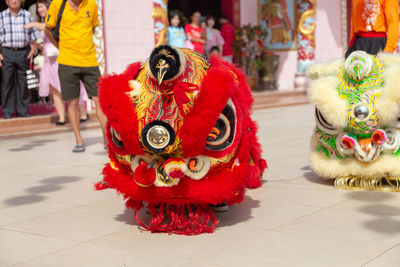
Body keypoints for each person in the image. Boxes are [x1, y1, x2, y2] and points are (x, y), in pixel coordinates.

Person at [45, 0, 107, 152]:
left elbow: (91, 29)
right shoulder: (58, 4)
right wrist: (61, 47)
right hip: (67, 62)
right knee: (72, 102)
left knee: (100, 100)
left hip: (90, 61)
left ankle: (107, 139)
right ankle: (78, 139)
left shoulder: (91, 4)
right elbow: (48, 29)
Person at [25, 0, 88, 125]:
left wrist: (32, 24)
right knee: (55, 90)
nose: (41, 10)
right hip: (49, 61)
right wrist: (36, 45)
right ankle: (62, 117)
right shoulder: (42, 22)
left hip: (62, 59)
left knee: (71, 87)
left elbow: (48, 28)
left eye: (42, 7)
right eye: (39, 8)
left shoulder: (56, 20)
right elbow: (46, 44)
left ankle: (82, 113)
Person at [0, 0, 40, 119]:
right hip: (7, 51)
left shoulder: (27, 15)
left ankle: (23, 111)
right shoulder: (1, 16)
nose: (14, 1)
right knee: (7, 82)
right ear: (7, 2)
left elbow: (34, 35)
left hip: (24, 52)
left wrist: (33, 48)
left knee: (23, 83)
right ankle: (7, 111)